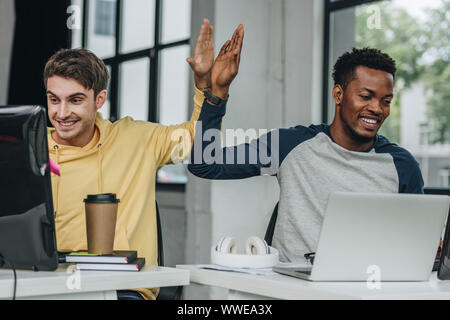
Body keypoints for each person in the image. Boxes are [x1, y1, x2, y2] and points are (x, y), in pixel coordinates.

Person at [44, 19, 243, 300]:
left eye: (75, 100)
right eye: (54, 100)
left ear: (99, 99)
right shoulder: (32, 149)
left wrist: (206, 88)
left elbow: (199, 145)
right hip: (47, 285)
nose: (62, 113)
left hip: (123, 289)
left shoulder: (136, 139)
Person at [188, 47, 424, 263]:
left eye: (386, 101)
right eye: (365, 96)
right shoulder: (290, 144)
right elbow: (205, 163)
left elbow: (416, 239)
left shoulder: (402, 165)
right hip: (293, 289)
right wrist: (216, 95)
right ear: (339, 94)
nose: (377, 108)